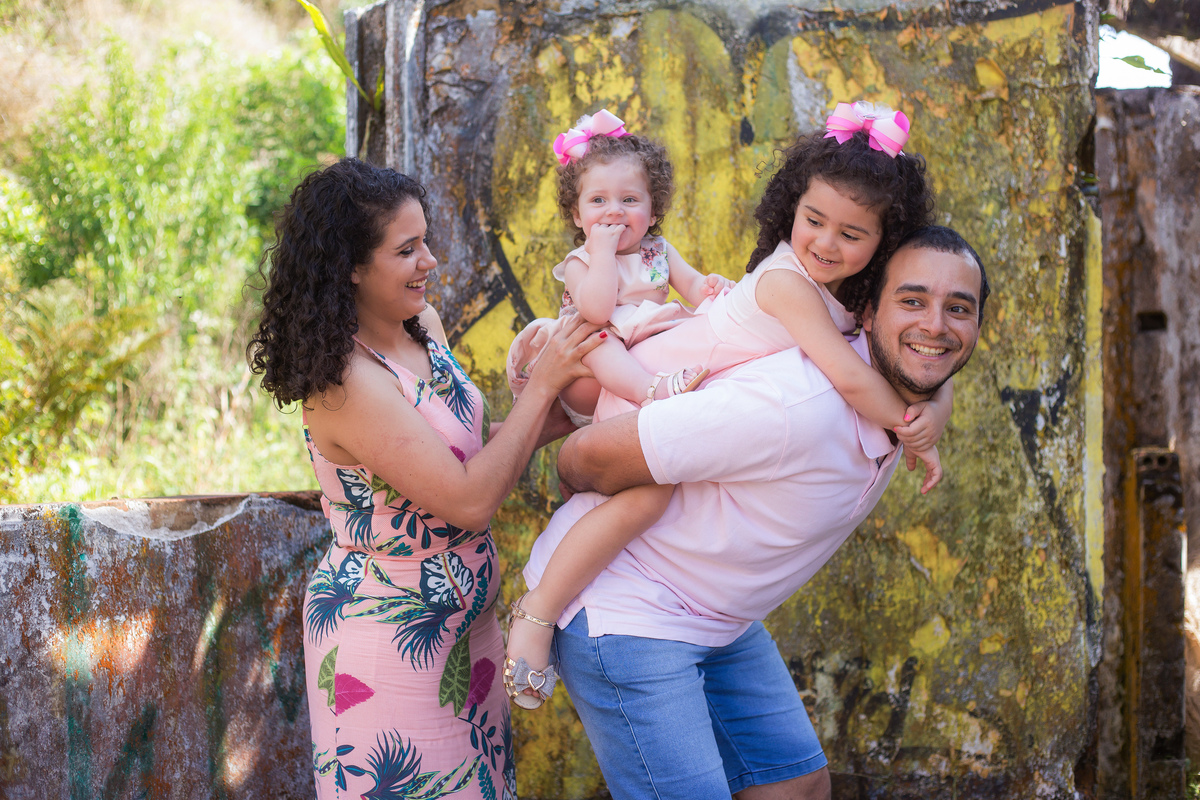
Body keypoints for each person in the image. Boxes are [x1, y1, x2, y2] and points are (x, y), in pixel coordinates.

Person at [504, 101, 951, 711]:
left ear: (884, 241)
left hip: (685, 391)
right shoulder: (787, 281)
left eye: (851, 234)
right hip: (650, 383)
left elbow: (915, 355)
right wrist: (913, 430)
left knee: (657, 499)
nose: (824, 242)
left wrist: (938, 402)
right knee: (646, 498)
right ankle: (538, 613)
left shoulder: (854, 293)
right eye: (812, 220)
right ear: (792, 208)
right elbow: (851, 377)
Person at [528, 224, 991, 799]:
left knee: (796, 787)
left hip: (720, 616)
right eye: (913, 301)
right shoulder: (791, 407)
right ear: (867, 312)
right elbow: (584, 457)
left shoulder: (905, 393)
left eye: (958, 310)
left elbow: (930, 365)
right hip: (630, 606)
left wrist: (937, 407)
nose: (935, 325)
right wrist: (589, 484)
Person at [246, 158, 600, 800]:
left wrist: (567, 410)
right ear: (351, 267)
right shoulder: (346, 382)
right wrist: (543, 382)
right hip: (388, 642)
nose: (430, 261)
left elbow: (459, 462)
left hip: (468, 632)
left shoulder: (424, 330)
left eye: (426, 242)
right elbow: (469, 499)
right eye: (406, 250)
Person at [502, 109, 735, 707]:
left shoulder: (659, 251)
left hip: (645, 353)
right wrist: (603, 253)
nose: (613, 213)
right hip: (595, 370)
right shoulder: (584, 263)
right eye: (598, 202)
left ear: (653, 211)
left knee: (651, 486)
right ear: (577, 217)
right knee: (592, 333)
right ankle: (652, 393)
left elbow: (693, 289)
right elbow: (600, 308)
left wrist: (715, 290)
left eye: (629, 200)